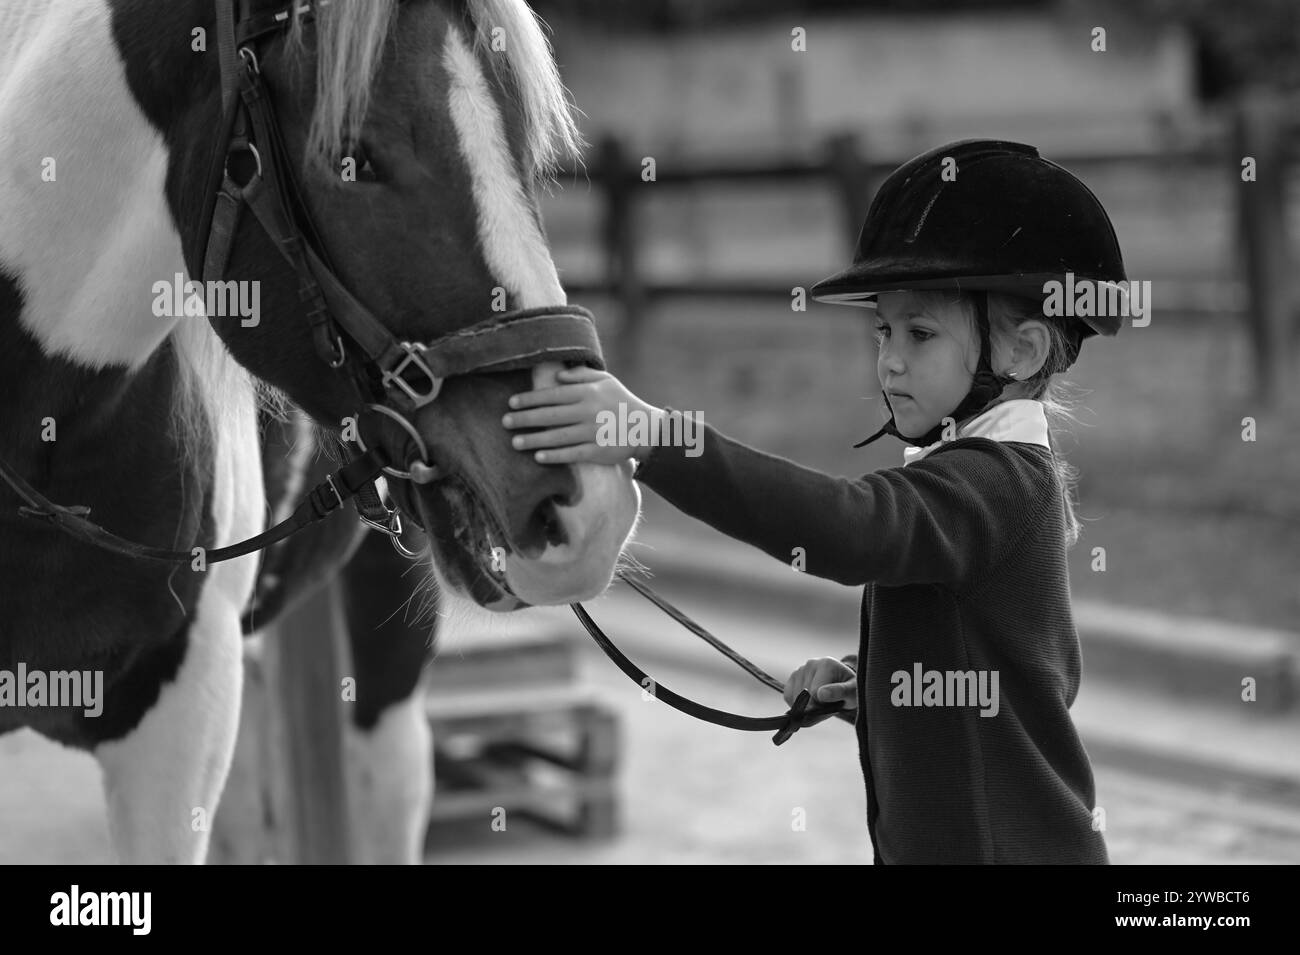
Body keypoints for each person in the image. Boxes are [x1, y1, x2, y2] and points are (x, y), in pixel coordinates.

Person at [501, 139, 1126, 864]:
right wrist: (879, 684)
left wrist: (654, 437)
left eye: (921, 333)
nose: (890, 359)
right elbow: (1009, 673)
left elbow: (847, 528)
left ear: (1022, 352)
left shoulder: (995, 483)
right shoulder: (987, 475)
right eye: (884, 330)